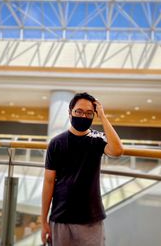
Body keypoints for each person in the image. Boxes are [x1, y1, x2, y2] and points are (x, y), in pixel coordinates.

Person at [41, 92, 123, 246]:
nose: (83, 116)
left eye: (89, 113)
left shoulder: (98, 139)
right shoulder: (56, 143)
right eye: (78, 111)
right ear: (70, 112)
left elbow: (117, 150)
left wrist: (103, 116)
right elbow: (48, 182)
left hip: (91, 218)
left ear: (94, 115)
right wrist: (43, 221)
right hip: (60, 217)